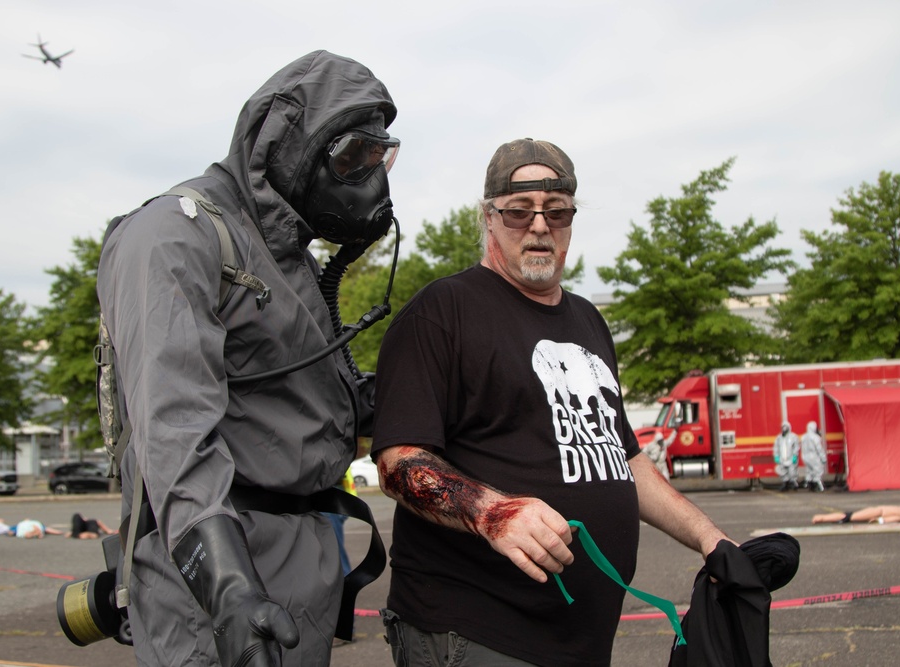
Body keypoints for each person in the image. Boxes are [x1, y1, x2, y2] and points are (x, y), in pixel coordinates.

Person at [370, 138, 732, 666]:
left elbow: (622, 457)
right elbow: (398, 464)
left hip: (581, 643)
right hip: (476, 631)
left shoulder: (588, 320)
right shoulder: (442, 311)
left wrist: (710, 538)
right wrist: (493, 512)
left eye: (557, 211)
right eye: (520, 211)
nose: (540, 226)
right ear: (489, 217)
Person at [97, 51, 398, 667]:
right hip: (223, 569)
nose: (368, 180)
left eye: (380, 157)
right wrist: (228, 586)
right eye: (350, 158)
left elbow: (302, 406)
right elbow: (175, 433)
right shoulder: (176, 235)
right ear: (285, 146)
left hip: (306, 561)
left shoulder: (291, 262)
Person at [812, 503, 900, 524]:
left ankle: (821, 518)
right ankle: (822, 518)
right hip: (878, 510)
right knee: (850, 515)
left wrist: (882, 521)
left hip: (879, 512)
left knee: (850, 516)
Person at [801, 421, 827, 492]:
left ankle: (809, 484)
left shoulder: (804, 437)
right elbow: (819, 449)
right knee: (818, 471)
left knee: (810, 471)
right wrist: (823, 458)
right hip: (814, 456)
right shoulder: (815, 437)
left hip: (805, 457)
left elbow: (802, 448)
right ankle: (819, 486)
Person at [774, 421, 800, 491]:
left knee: (792, 472)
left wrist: (795, 455)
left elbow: (796, 447)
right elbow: (776, 447)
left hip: (791, 458)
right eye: (783, 427)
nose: (784, 429)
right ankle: (785, 483)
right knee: (782, 471)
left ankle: (794, 483)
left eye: (785, 427)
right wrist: (776, 456)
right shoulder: (779, 438)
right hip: (782, 459)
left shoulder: (793, 437)